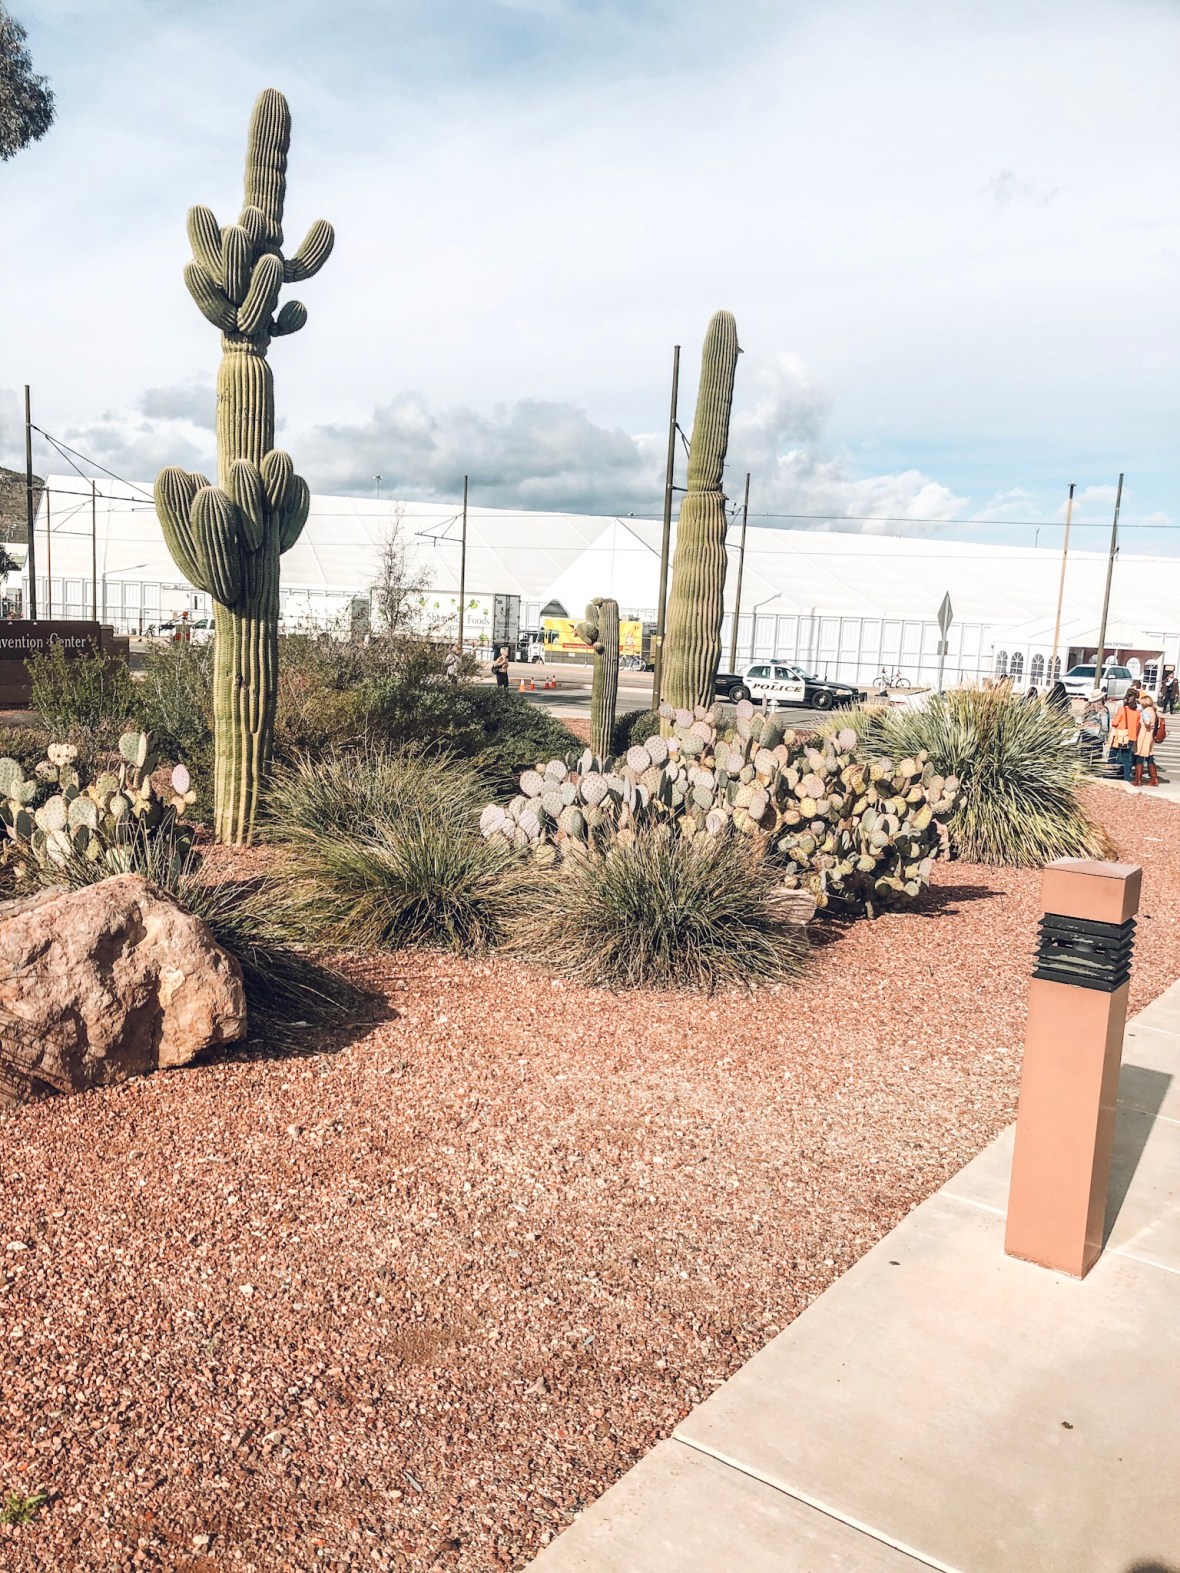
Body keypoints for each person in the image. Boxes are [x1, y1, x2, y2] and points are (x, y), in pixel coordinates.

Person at [1109, 690, 1141, 784]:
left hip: (1121, 736)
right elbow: (1137, 725)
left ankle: (1110, 774)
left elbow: (1115, 723)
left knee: (1113, 755)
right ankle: (1127, 777)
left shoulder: (1122, 709)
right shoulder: (1137, 712)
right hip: (1131, 737)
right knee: (1127, 758)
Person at [1134, 695, 1161, 788]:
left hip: (1144, 735)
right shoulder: (1153, 711)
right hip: (1150, 736)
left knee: (1140, 757)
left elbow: (1147, 722)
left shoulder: (1145, 712)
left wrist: (1147, 724)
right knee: (1150, 758)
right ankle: (1154, 779)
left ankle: (1138, 780)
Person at [1079, 690, 1110, 768]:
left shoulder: (1087, 709)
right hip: (1097, 736)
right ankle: (1093, 771)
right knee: (1096, 757)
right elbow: (1105, 726)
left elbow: (1083, 721)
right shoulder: (1103, 710)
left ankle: (1084, 770)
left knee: (1085, 756)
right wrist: (1105, 736)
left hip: (1086, 734)